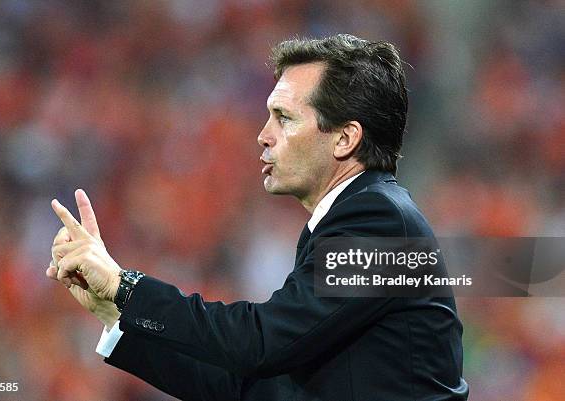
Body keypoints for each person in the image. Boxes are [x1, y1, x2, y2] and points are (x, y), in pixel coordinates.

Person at [47, 34, 468, 401]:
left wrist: (126, 286)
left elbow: (260, 342)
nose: (264, 135)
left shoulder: (380, 223)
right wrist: (114, 313)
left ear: (344, 138)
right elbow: (253, 388)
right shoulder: (349, 220)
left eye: (284, 118)